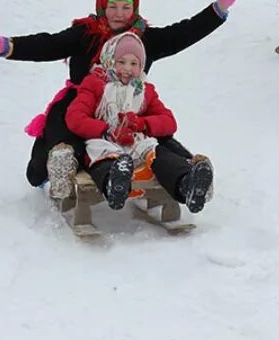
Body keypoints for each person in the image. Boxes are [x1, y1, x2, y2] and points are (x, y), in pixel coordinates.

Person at [0, 0, 251, 193]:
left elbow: (184, 32)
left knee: (156, 136)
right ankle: (62, 164)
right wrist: (5, 44)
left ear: (134, 9)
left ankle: (189, 174)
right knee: (63, 132)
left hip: (129, 107)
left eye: (126, 7)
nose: (119, 13)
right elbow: (48, 44)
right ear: (102, 6)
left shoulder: (145, 39)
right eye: (113, 6)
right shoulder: (84, 33)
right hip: (82, 101)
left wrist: (220, 8)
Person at [65, 32, 214, 213]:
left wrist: (142, 124)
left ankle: (187, 184)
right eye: (121, 62)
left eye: (134, 63)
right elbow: (75, 117)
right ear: (109, 60)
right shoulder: (95, 84)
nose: (127, 69)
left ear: (141, 66)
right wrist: (107, 130)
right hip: (103, 139)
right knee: (102, 157)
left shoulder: (144, 90)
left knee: (157, 153)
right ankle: (114, 184)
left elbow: (169, 122)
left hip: (137, 141)